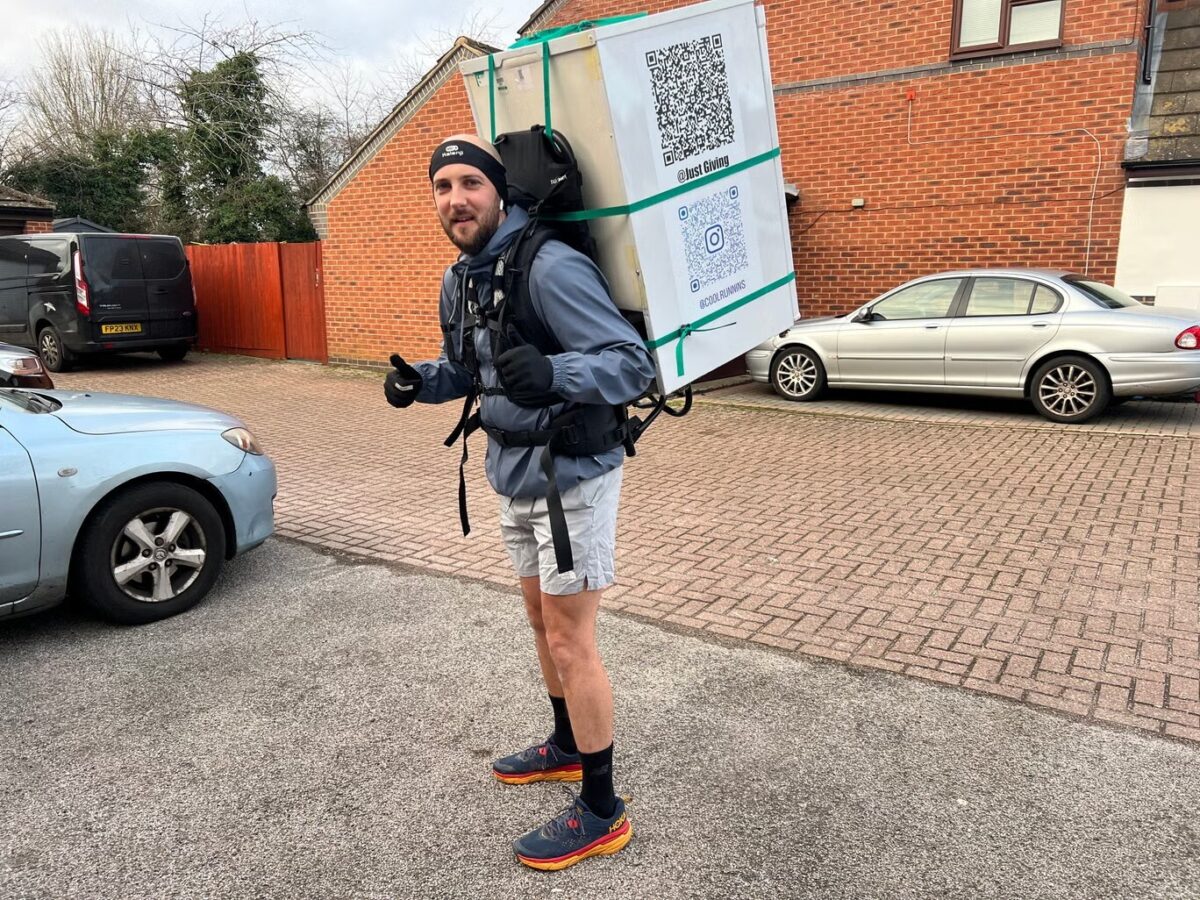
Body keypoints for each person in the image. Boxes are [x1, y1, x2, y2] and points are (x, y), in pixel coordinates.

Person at [384, 133, 656, 870]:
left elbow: (631, 365)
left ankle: (602, 809)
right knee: (540, 621)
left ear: (499, 192)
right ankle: (566, 744)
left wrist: (556, 374)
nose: (455, 199)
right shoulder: (460, 279)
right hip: (512, 471)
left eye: (469, 183)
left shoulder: (551, 266)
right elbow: (471, 369)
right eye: (443, 187)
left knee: (571, 639)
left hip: (573, 476)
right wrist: (421, 382)